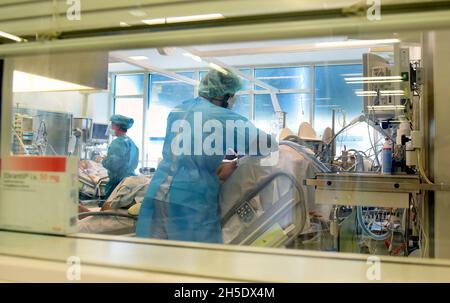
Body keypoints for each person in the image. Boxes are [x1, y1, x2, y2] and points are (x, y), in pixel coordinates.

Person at [136, 68, 278, 243]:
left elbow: (184, 155)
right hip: (190, 199)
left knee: (154, 260)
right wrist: (238, 163)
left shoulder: (178, 110)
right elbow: (267, 145)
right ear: (225, 95)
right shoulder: (221, 116)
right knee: (198, 261)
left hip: (156, 193)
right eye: (233, 95)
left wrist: (221, 165)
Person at [99, 114, 139, 202]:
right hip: (129, 181)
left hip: (118, 183)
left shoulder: (118, 142)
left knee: (110, 209)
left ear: (118, 126)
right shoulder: (130, 141)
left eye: (112, 124)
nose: (111, 127)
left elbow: (114, 164)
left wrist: (103, 160)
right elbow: (132, 162)